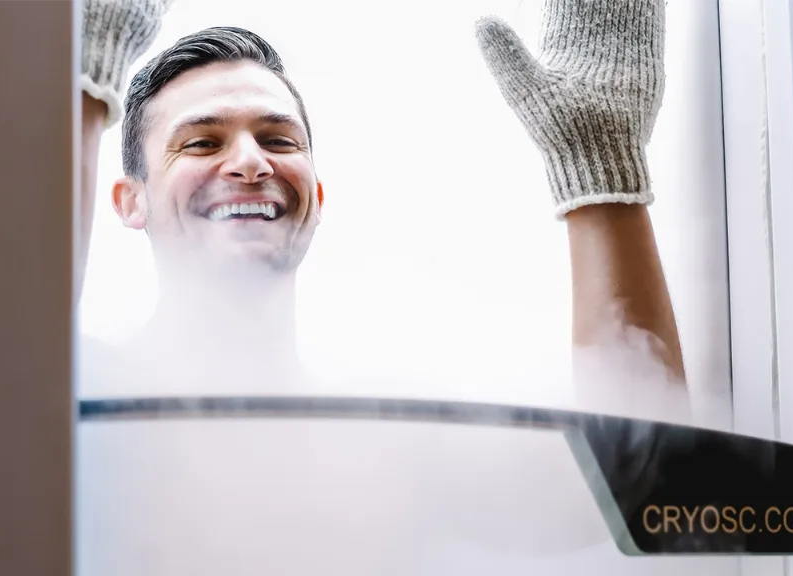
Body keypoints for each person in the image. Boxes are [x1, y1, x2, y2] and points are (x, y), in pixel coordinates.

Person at [77, 0, 711, 572]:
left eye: (278, 139)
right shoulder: (68, 400)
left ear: (316, 197)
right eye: (200, 141)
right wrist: (81, 82)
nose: (250, 162)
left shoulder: (382, 446)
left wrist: (596, 163)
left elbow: (646, 489)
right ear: (130, 202)